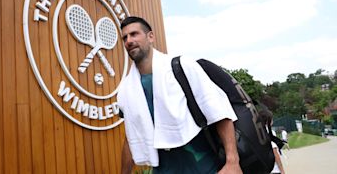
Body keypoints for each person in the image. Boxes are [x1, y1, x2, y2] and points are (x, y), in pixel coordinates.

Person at [118, 16, 242, 174]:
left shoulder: (182, 67)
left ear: (150, 37)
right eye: (125, 37)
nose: (129, 41)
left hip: (205, 167)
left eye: (134, 34)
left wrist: (232, 162)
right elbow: (131, 137)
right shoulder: (126, 90)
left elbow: (219, 112)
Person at [259, 110, 285, 174]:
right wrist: (282, 170)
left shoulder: (258, 133)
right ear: (268, 121)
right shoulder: (270, 133)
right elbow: (275, 153)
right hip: (274, 169)